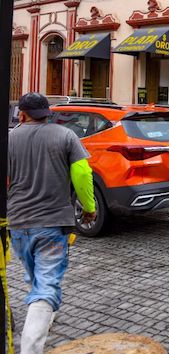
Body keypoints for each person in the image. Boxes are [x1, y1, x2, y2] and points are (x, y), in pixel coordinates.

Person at [7, 93, 97, 354]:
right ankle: (30, 348)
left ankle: (44, 314)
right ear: (47, 113)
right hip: (52, 224)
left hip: (18, 223)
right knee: (46, 285)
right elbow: (82, 173)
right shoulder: (65, 135)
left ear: (22, 114)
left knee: (34, 274)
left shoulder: (9, 138)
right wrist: (89, 208)